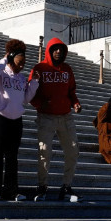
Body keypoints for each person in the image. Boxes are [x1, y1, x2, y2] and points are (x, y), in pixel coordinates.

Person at [27, 37, 81, 202]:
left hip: (65, 116)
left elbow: (71, 91)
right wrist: (39, 104)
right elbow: (30, 91)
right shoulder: (40, 68)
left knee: (73, 150)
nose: (58, 52)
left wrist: (75, 103)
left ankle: (66, 186)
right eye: (55, 49)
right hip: (46, 116)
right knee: (44, 152)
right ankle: (42, 186)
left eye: (61, 49)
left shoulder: (67, 69)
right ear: (49, 51)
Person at [0, 39, 38, 201]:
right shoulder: (0, 73)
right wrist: (5, 59)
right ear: (11, 58)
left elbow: (26, 99)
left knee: (12, 156)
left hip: (15, 119)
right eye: (19, 62)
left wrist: (34, 83)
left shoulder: (21, 78)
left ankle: (11, 191)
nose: (21, 66)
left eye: (24, 63)